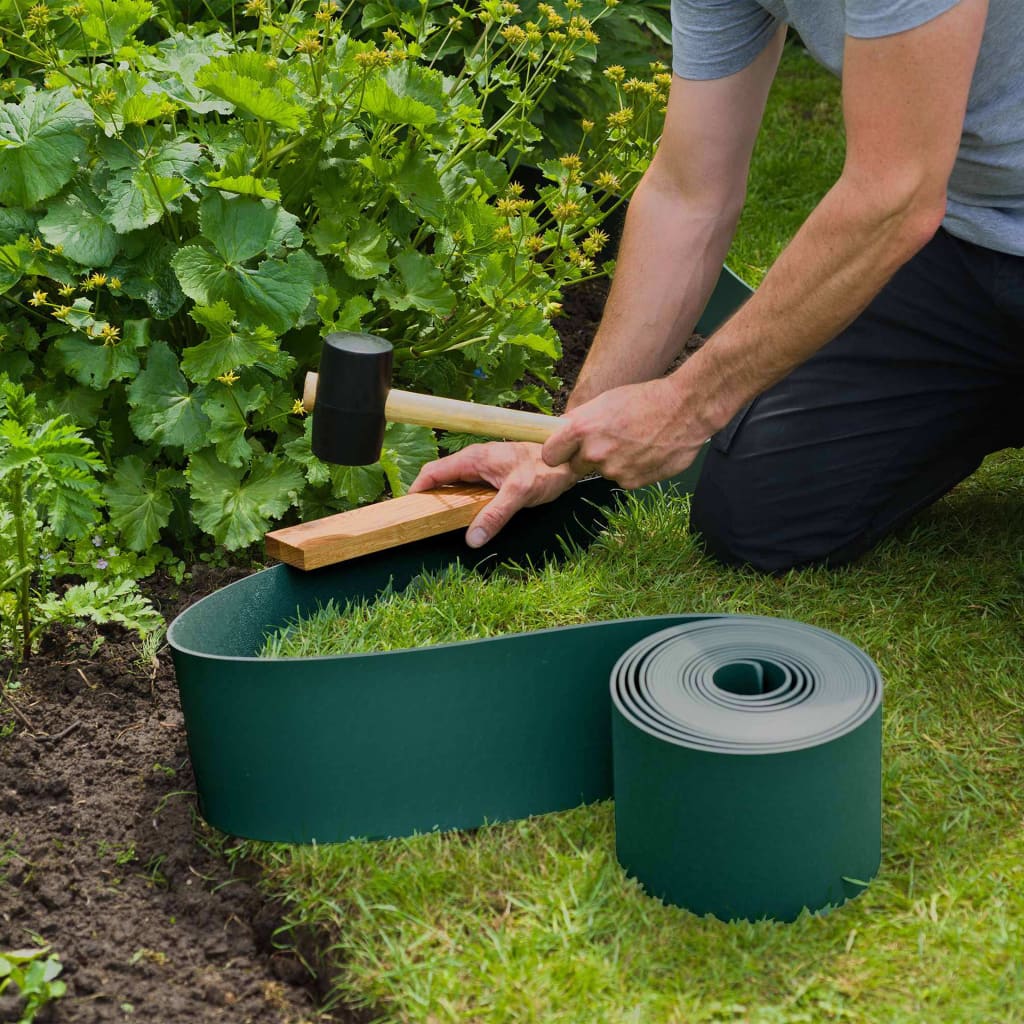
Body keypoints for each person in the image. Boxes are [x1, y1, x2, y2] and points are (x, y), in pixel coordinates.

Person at [410, 0, 1023, 572]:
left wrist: (686, 405)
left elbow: (898, 194)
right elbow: (688, 192)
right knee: (758, 516)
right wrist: (561, 445)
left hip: (929, 216)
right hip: (961, 242)